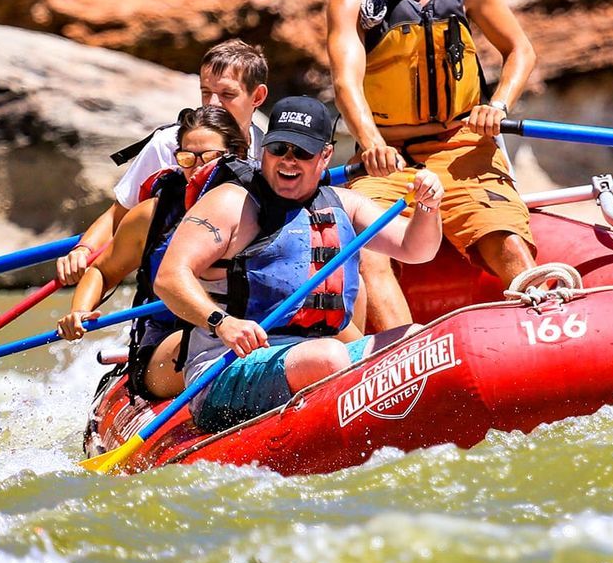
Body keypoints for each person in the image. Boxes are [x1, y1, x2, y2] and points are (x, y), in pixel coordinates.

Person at [138, 96, 444, 434]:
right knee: (328, 357)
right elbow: (169, 278)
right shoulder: (230, 203)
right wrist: (222, 322)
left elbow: (416, 249)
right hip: (225, 368)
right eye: (278, 148)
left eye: (301, 152)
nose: (288, 161)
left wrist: (429, 208)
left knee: (419, 339)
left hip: (315, 357)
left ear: (325, 156)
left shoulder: (346, 205)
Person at [326, 0, 537, 327]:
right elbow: (345, 81)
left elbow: (520, 50)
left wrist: (497, 105)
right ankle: (404, 358)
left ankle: (550, 324)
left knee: (505, 240)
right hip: (388, 157)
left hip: (463, 147)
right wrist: (371, 143)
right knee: (369, 251)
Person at [56, 106, 254, 394]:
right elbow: (102, 270)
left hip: (246, 328)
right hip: (169, 340)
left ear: (236, 155)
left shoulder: (260, 207)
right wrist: (79, 311)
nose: (197, 167)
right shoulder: (150, 216)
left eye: (209, 157)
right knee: (212, 343)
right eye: (187, 158)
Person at [58, 40, 270, 287]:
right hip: (170, 284)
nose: (212, 103)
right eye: (205, 92)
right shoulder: (169, 144)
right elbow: (119, 214)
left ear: (258, 96)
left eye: (227, 94)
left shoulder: (266, 150)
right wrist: (83, 249)